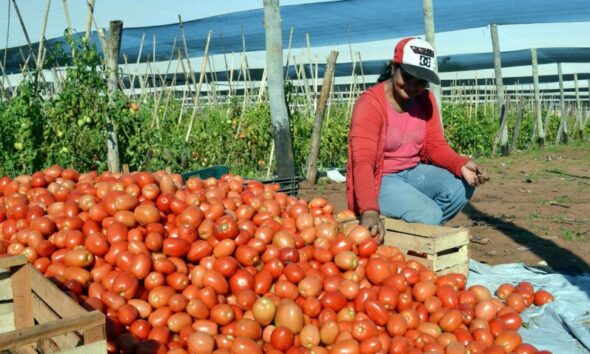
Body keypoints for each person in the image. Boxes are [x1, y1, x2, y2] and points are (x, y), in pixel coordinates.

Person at [346, 37, 488, 243]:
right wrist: (368, 209)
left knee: (461, 187)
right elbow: (363, 161)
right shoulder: (370, 104)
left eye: (421, 81)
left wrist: (461, 164)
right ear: (394, 67)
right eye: (408, 76)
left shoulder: (425, 100)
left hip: (413, 172)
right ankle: (416, 231)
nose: (413, 86)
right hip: (381, 179)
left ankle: (415, 231)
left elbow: (435, 146)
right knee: (429, 215)